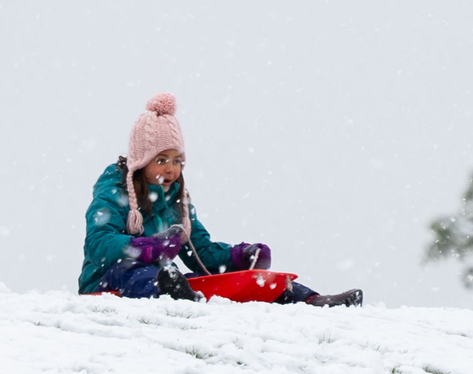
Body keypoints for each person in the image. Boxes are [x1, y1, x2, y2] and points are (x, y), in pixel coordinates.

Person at [80, 92, 362, 307]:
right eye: (161, 159)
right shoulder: (114, 189)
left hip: (162, 278)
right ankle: (173, 292)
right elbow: (98, 244)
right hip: (107, 281)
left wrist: (236, 257)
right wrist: (146, 248)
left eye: (177, 160)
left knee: (208, 281)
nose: (171, 169)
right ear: (141, 162)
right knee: (138, 271)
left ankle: (310, 300)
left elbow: (199, 251)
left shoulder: (176, 199)